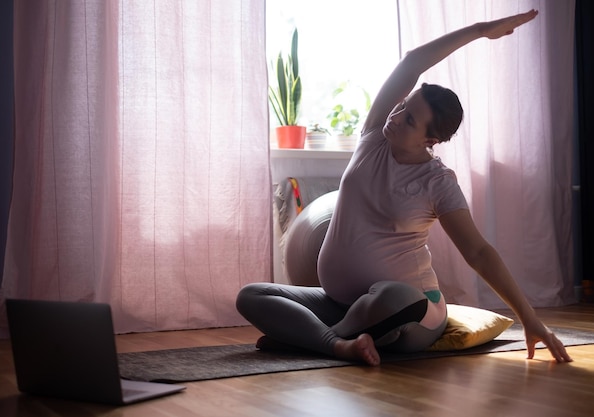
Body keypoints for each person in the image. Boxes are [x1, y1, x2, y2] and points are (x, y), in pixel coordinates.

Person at [236, 9, 572, 366]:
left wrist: (530, 319)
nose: (395, 118)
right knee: (253, 296)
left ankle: (313, 338)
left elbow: (478, 253)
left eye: (409, 119)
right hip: (340, 303)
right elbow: (412, 64)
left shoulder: (437, 182)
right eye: (401, 107)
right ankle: (338, 344)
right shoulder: (372, 138)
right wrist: (479, 30)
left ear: (431, 139)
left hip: (410, 312)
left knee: (396, 298)